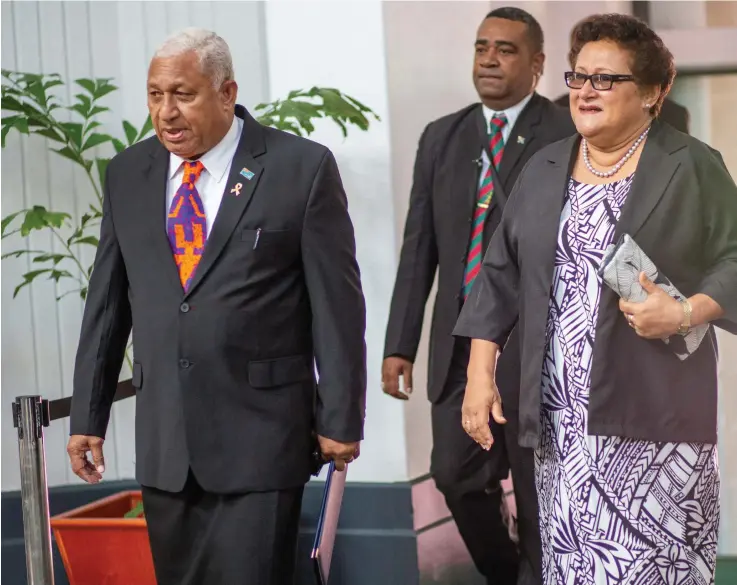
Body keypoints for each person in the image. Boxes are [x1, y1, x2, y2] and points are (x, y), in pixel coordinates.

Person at [66, 28, 367, 585]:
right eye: (155, 95)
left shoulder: (299, 167)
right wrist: (89, 415)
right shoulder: (129, 174)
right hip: (167, 441)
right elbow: (107, 303)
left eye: (183, 94)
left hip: (261, 436)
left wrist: (342, 416)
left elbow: (338, 306)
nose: (166, 112)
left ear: (227, 93)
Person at [455, 13, 737, 585]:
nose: (585, 90)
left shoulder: (690, 164)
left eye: (606, 79)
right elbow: (499, 275)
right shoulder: (545, 166)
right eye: (579, 76)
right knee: (572, 567)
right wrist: (480, 375)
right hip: (560, 424)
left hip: (653, 420)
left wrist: (685, 312)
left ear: (653, 92)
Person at [381, 7, 574, 585]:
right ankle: (509, 573)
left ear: (538, 64)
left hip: (534, 347)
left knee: (539, 494)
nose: (489, 59)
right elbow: (420, 250)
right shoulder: (443, 136)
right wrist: (400, 343)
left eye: (506, 49)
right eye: (481, 47)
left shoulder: (564, 133)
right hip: (459, 347)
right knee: (455, 476)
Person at [552, 17, 691, 134]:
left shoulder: (673, 116)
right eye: (580, 75)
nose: (585, 93)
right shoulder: (553, 118)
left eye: (603, 78)